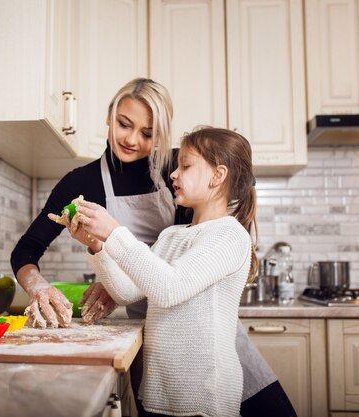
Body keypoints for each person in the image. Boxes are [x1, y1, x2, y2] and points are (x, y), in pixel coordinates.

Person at [11, 78, 296, 417]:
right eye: (124, 124)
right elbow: (27, 250)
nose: (132, 139)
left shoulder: (176, 170)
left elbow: (209, 235)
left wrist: (114, 236)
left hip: (205, 337)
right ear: (109, 116)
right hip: (154, 340)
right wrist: (93, 251)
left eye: (148, 133)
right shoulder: (81, 183)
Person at [65, 126, 257, 416]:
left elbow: (170, 289)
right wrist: (97, 246)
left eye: (186, 166)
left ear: (218, 175)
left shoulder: (229, 235)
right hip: (160, 393)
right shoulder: (171, 235)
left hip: (203, 397)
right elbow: (129, 292)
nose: (174, 174)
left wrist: (115, 232)